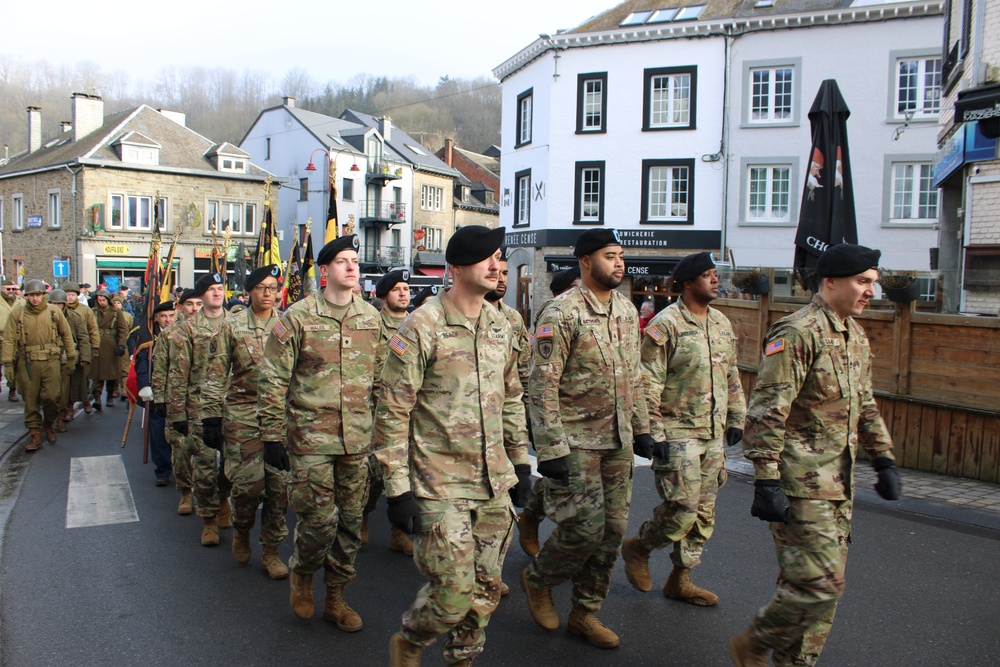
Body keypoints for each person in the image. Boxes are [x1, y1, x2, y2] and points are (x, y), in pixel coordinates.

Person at [729, 244, 902, 667]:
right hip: (799, 484)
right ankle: (755, 641)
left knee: (817, 596)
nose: (870, 292)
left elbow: (864, 403)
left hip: (838, 483)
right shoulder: (797, 332)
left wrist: (883, 457)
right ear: (831, 282)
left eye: (873, 283)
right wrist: (766, 479)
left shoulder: (853, 334)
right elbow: (768, 409)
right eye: (863, 282)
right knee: (820, 585)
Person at [374, 225, 531, 667]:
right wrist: (397, 487)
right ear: (458, 267)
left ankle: (461, 661)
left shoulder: (500, 323)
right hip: (438, 483)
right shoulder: (422, 325)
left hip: (493, 482)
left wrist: (520, 462)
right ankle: (410, 639)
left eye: (500, 257)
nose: (497, 266)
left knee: (483, 594)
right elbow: (393, 410)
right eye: (487, 258)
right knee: (453, 595)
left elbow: (513, 396)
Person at [520, 228, 653, 650]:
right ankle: (539, 580)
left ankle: (585, 613)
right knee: (583, 528)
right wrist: (551, 447)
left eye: (621, 256)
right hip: (575, 443)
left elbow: (635, 376)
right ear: (585, 262)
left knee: (613, 531)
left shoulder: (627, 312)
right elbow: (542, 385)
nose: (619, 263)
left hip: (618, 441)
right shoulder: (561, 313)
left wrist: (645, 427)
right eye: (610, 256)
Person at [257, 234, 382, 628]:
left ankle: (336, 596)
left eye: (355, 261)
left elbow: (380, 380)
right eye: (343, 260)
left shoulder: (370, 318)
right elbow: (273, 377)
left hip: (357, 439)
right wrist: (271, 435)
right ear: (324, 270)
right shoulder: (297, 316)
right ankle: (303, 573)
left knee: (349, 521)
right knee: (317, 521)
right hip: (310, 438)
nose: (352, 267)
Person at [621, 251, 746, 606]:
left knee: (704, 512)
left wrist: (737, 416)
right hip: (677, 434)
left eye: (715, 274)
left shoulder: (721, 323)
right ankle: (639, 546)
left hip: (713, 432)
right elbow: (648, 382)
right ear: (689, 282)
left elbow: (732, 374)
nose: (715, 279)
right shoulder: (666, 324)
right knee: (682, 509)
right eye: (707, 275)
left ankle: (681, 578)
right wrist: (651, 432)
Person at [202, 265, 289, 580]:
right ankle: (241, 528)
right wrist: (210, 415)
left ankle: (271, 552)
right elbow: (216, 372)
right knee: (248, 487)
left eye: (273, 287)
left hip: (280, 417)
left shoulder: (288, 324)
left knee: (279, 490)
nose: (268, 293)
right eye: (261, 288)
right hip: (243, 415)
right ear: (249, 291)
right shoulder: (232, 325)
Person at [518, 265, 581, 557]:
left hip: (594, 419)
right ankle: (531, 519)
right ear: (563, 290)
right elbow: (541, 376)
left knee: (580, 489)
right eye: (578, 286)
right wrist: (539, 425)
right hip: (561, 416)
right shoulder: (553, 316)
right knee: (561, 483)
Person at [168, 273, 233, 546]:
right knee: (206, 464)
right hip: (200, 406)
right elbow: (178, 373)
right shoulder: (188, 329)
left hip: (233, 405)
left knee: (231, 463)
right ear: (202, 295)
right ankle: (208, 519)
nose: (217, 294)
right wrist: (176, 414)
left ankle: (223, 498)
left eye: (220, 289)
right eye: (211, 290)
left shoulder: (237, 323)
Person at [362, 268, 413, 556]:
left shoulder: (418, 324)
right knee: (375, 475)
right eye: (397, 289)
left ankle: (400, 532)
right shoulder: (372, 326)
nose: (404, 293)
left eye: (406, 288)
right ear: (383, 296)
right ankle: (363, 517)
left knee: (409, 476)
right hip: (376, 411)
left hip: (412, 413)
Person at [2, 280, 76, 450]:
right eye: (31, 295)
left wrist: (71, 357)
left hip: (51, 360)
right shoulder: (18, 314)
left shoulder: (54, 311)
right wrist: (7, 363)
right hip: (28, 362)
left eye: (38, 295)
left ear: (43, 295)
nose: (35, 298)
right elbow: (8, 339)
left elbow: (66, 335)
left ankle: (48, 422)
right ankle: (34, 434)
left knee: (52, 396)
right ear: (26, 296)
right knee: (30, 399)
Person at [152, 289, 202, 514]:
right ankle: (186, 491)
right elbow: (160, 368)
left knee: (208, 452)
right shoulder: (169, 335)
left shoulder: (215, 330)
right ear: (179, 307)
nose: (194, 308)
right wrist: (160, 399)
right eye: (189, 304)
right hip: (178, 400)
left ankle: (213, 498)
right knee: (181, 449)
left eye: (198, 304)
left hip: (205, 400)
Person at [136, 300, 176, 486]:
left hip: (179, 390)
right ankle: (162, 469)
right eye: (163, 316)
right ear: (156, 318)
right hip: (157, 389)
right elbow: (142, 363)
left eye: (171, 316)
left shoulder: (184, 333)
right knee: (158, 430)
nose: (167, 320)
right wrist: (144, 385)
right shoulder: (149, 339)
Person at [47, 290, 91, 433]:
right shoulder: (45, 317)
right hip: (48, 358)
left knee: (65, 392)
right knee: (49, 393)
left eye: (59, 304)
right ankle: (49, 420)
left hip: (68, 358)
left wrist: (85, 357)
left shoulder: (74, 317)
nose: (56, 306)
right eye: (53, 304)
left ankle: (60, 418)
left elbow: (83, 338)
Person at [63, 282, 99, 414]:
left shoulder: (85, 310)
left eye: (72, 295)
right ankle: (69, 407)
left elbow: (93, 329)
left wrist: (94, 347)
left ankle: (85, 400)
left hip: (82, 348)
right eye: (67, 295)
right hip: (66, 349)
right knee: (67, 382)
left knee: (83, 378)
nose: (70, 297)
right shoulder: (59, 308)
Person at [89, 289, 128, 410]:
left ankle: (110, 396)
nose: (101, 302)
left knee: (112, 375)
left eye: (103, 300)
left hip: (111, 346)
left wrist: (121, 345)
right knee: (96, 374)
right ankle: (97, 398)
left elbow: (123, 330)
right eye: (99, 300)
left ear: (108, 300)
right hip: (96, 345)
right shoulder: (93, 312)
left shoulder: (116, 312)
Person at [0, 278, 24, 402]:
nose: (11, 291)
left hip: (15, 338)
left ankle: (12, 390)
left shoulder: (21, 302)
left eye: (13, 289)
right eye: (8, 289)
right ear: (2, 289)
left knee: (13, 365)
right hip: (0, 337)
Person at [113, 295, 135, 402]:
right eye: (114, 303)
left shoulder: (127, 316)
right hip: (112, 344)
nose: (116, 305)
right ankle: (115, 389)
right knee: (113, 367)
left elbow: (131, 330)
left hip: (124, 343)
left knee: (125, 368)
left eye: (118, 303)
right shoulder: (110, 315)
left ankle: (124, 390)